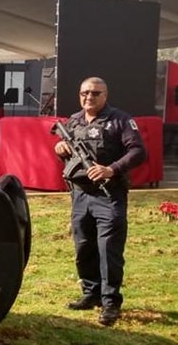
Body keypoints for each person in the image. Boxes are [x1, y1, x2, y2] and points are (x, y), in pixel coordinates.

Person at [53, 77, 146, 327]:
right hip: (80, 195)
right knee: (84, 247)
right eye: (84, 93)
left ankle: (110, 303)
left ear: (105, 95)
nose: (89, 98)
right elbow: (63, 146)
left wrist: (111, 170)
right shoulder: (74, 120)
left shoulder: (120, 120)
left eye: (95, 93)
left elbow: (138, 151)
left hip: (109, 195)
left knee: (109, 251)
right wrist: (60, 147)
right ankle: (90, 293)